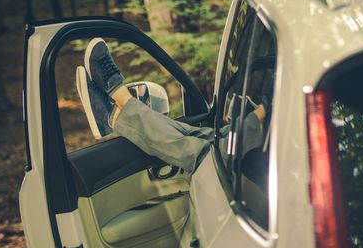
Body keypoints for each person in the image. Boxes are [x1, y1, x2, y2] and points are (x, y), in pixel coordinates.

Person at [76, 38, 267, 174]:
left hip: (271, 164)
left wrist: (263, 111)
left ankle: (120, 105)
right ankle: (117, 112)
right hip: (266, 142)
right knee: (204, 136)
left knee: (205, 153)